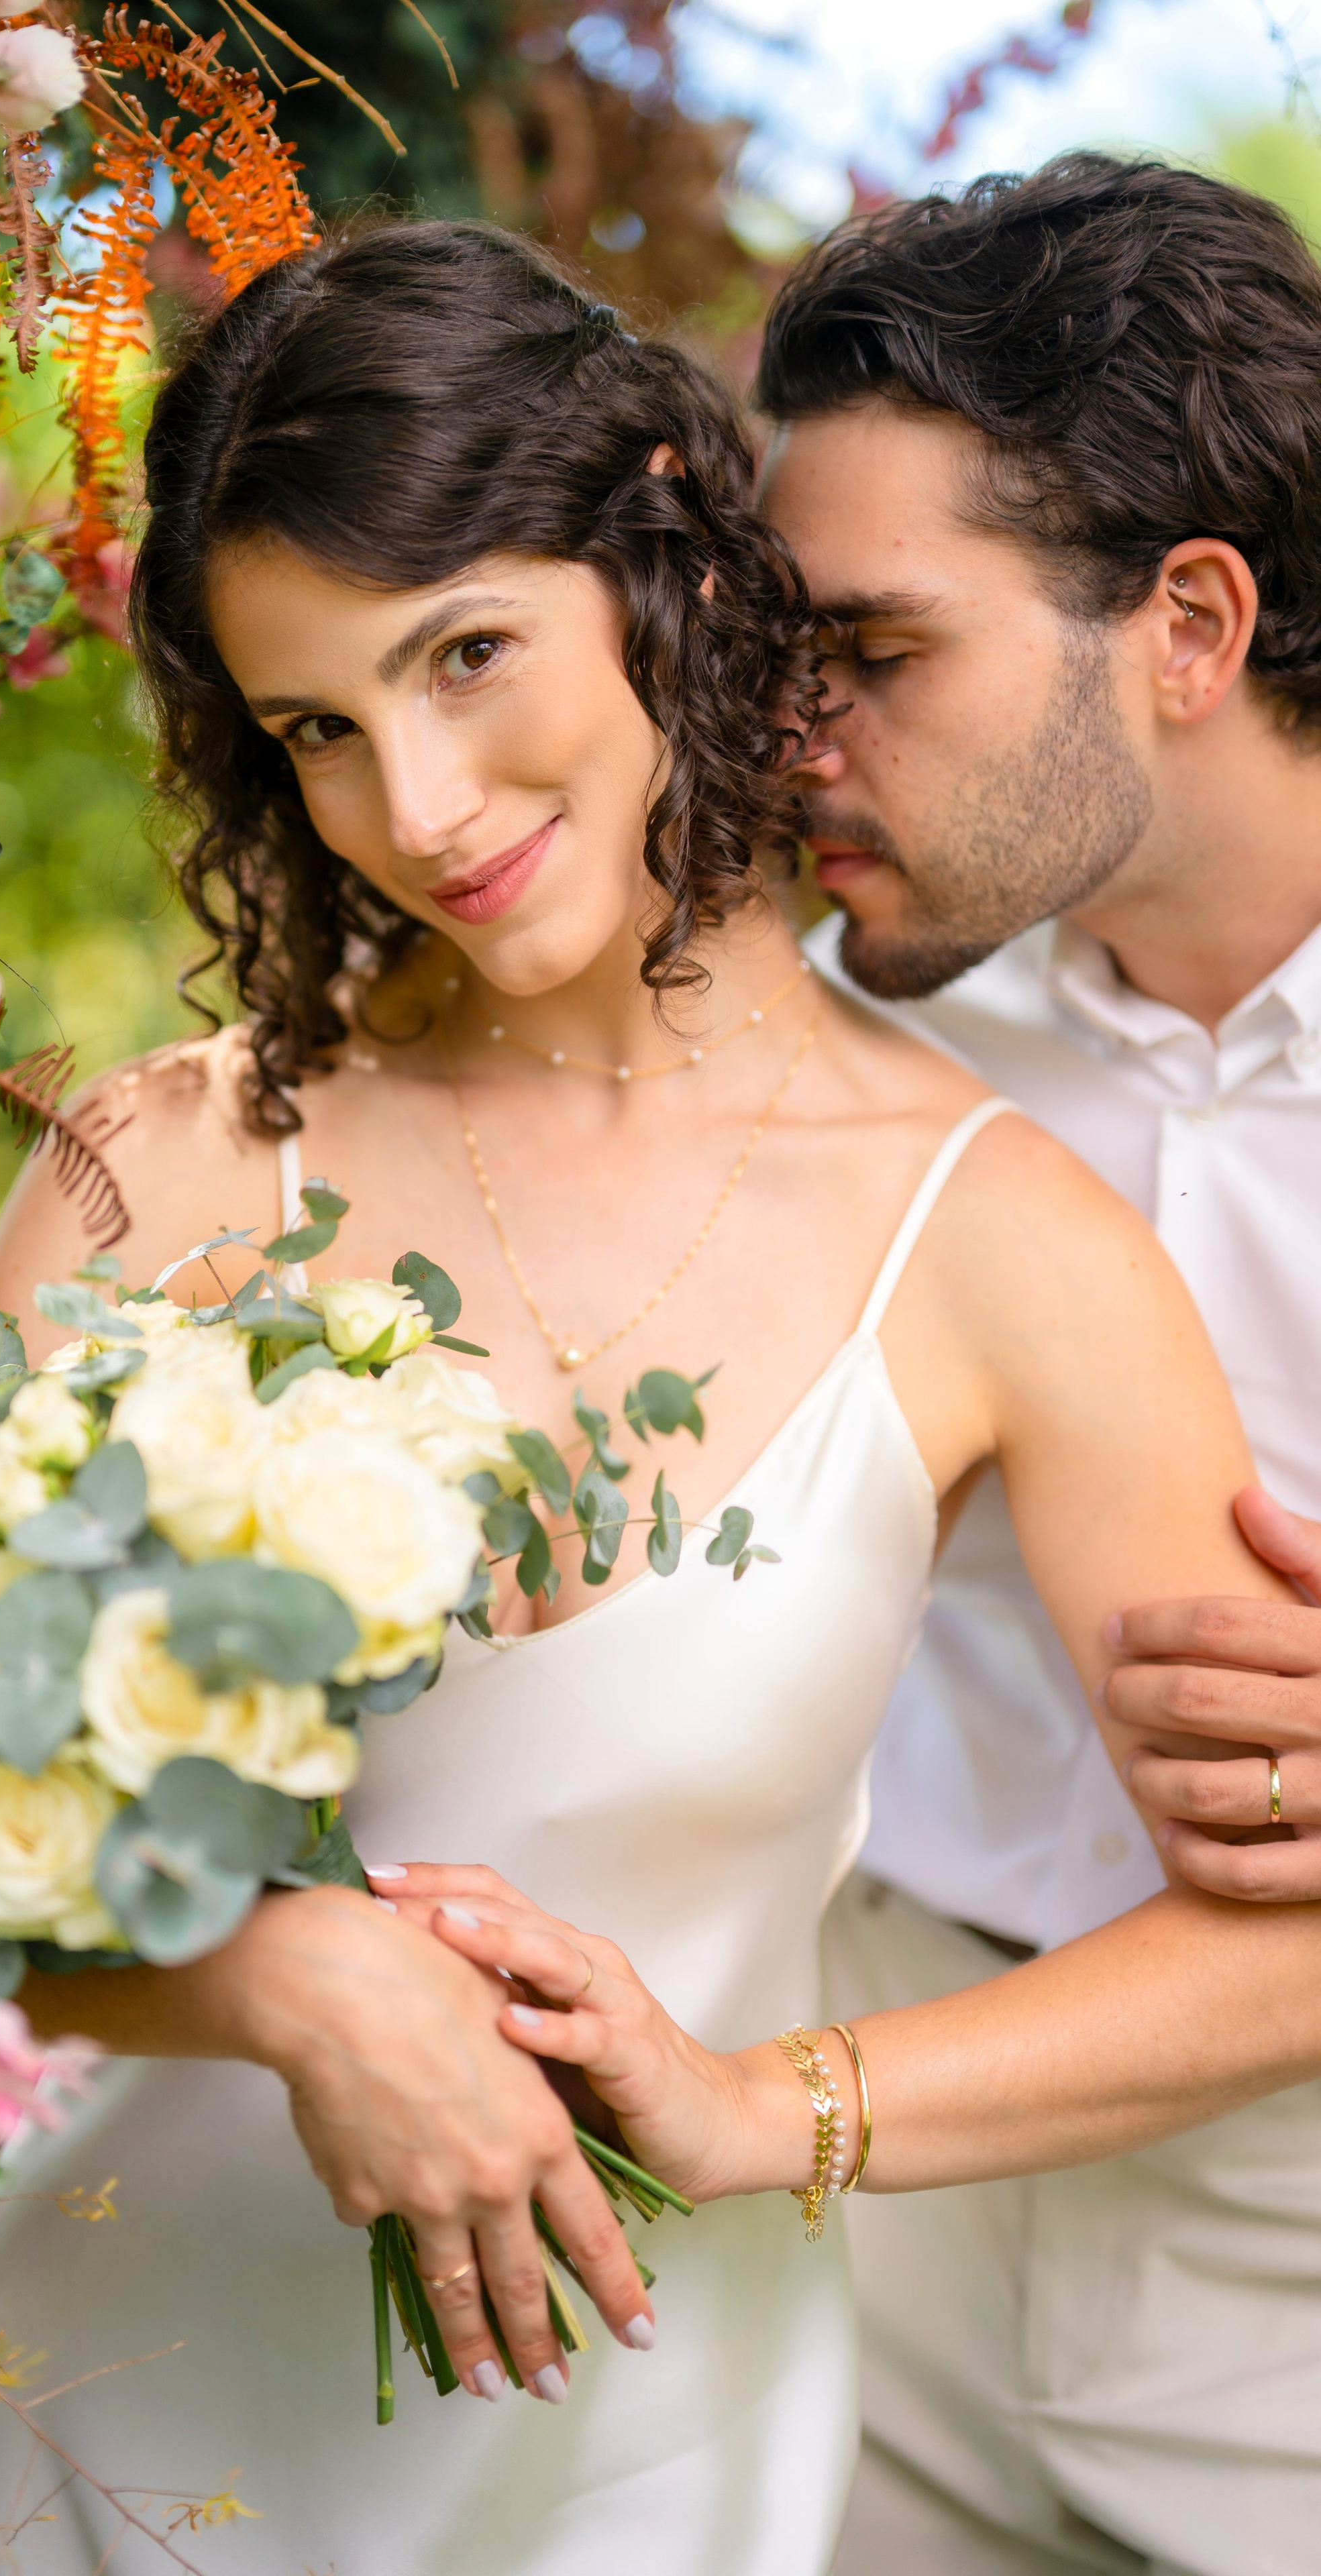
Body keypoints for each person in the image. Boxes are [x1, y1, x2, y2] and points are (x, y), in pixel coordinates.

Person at [0, 221, 1321, 2576]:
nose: (423, 798)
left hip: (806, 2345)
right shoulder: (158, 1158)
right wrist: (297, 1971)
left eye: (473, 654)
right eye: (315, 729)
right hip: (133, 2393)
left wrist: (759, 2107)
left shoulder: (978, 1205)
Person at [750, 154, 1321, 2576]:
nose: (791, 739)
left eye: (874, 654)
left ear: (1187, 624)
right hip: (859, 2168)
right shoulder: (805, 1048)